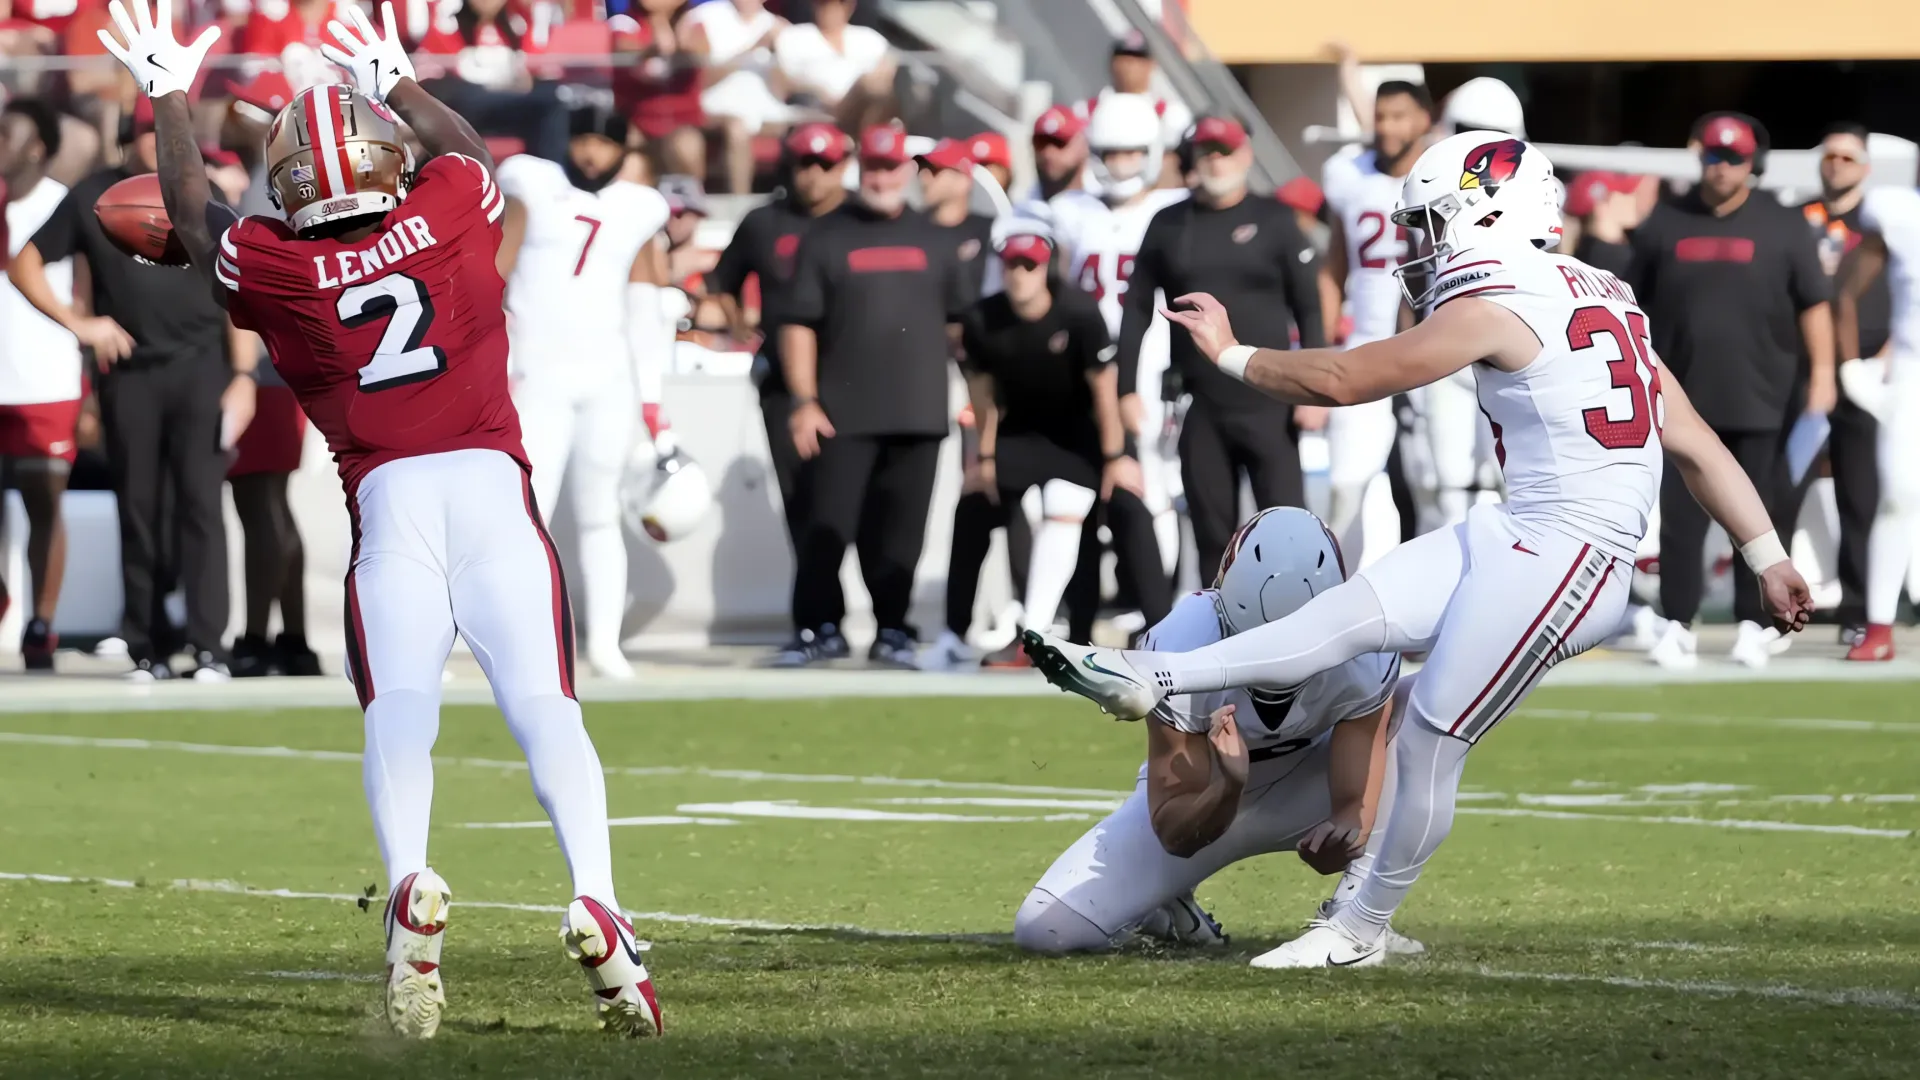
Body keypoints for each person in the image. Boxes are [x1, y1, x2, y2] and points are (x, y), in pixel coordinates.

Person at [1021, 131, 1814, 967]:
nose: (1424, 245)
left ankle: (1360, 929)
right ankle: (1152, 676)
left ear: (1491, 208)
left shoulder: (1502, 298)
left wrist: (1230, 354)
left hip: (1575, 554)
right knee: (1345, 617)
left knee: (1431, 734)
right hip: (1519, 529)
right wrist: (1766, 555)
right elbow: (1689, 439)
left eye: (1436, 222)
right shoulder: (1600, 292)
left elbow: (1349, 379)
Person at [99, 0, 660, 1036]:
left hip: (390, 501)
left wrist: (169, 93)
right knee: (547, 706)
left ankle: (409, 882)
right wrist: (399, 81)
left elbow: (185, 209)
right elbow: (469, 152)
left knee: (399, 708)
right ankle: (598, 898)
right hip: (491, 488)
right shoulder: (447, 207)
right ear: (380, 161)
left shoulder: (280, 264)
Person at [1015, 507, 1420, 958]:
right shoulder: (1183, 639)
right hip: (1206, 791)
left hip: (1309, 787)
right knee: (1046, 929)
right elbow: (1172, 829)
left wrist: (1344, 842)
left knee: (1427, 706)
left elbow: (1352, 810)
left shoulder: (1364, 648)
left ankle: (1358, 914)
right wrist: (1228, 784)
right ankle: (1163, 903)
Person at [10, 95, 244, 682]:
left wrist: (243, 377)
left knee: (201, 505)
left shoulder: (206, 193)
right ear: (127, 135)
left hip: (201, 368)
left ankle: (209, 645)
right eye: (146, 129)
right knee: (138, 507)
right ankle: (148, 645)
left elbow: (240, 288)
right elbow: (25, 263)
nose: (154, 140)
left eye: (165, 128)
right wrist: (79, 324)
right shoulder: (93, 194)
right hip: (131, 371)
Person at [1624, 113, 1835, 670]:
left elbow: (1814, 303)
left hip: (1765, 396)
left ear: (1753, 162)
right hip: (1680, 400)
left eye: (1734, 157)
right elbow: (1629, 301)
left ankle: (1753, 622)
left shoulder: (1784, 223)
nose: (1722, 168)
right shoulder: (1664, 221)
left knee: (1759, 514)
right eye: (1714, 156)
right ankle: (1677, 622)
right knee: (1682, 518)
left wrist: (1823, 377)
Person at [776, 123, 971, 667]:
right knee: (827, 527)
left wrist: (979, 395)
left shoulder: (937, 240)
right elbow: (797, 324)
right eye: (875, 166)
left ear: (908, 171)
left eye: (893, 167)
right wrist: (804, 400)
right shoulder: (826, 236)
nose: (883, 177)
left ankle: (894, 631)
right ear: (862, 168)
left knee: (902, 536)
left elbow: (962, 327)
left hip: (919, 412)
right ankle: (816, 628)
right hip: (842, 414)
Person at [496, 105, 676, 680]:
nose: (591, 154)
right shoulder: (532, 183)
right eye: (584, 141)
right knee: (529, 512)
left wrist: (651, 396)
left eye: (604, 143)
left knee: (600, 516)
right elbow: (495, 269)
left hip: (606, 379)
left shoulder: (639, 207)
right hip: (538, 374)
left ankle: (603, 643)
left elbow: (647, 305)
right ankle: (521, 641)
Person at [1122, 115, 1325, 579]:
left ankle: (1295, 637)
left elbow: (1310, 307)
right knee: (1212, 536)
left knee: (1288, 532)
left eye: (1225, 150)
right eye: (1207, 151)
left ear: (1246, 155)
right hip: (1202, 404)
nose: (1217, 161)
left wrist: (1313, 392)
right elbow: (1135, 308)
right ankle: (1220, 638)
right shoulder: (1168, 223)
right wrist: (1125, 390)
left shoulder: (1274, 219)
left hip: (1271, 402)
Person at [959, 225, 1168, 666]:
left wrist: (1116, 456)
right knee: (975, 501)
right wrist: (985, 457)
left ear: (1046, 269)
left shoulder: (1078, 313)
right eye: (1012, 264)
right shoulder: (982, 319)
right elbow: (982, 394)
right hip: (1022, 433)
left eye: (1028, 265)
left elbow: (1104, 392)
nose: (1019, 274)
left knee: (1108, 505)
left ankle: (1159, 633)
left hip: (1084, 435)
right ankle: (953, 633)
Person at [1050, 93, 1189, 579]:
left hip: (1149, 360)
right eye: (1112, 153)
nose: (1122, 164)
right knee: (1072, 487)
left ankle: (1155, 602)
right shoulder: (1069, 210)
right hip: (1085, 367)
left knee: (1156, 482)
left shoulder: (1175, 208)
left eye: (1132, 152)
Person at [707, 121, 848, 573]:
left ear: (843, 167)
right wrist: (738, 323)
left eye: (825, 164)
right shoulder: (764, 222)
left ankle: (881, 616)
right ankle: (816, 616)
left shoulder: (862, 221)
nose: (815, 175)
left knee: (853, 496)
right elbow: (723, 280)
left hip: (853, 373)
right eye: (805, 163)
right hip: (785, 380)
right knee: (799, 495)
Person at [1319, 80, 1431, 568]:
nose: (1387, 127)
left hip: (1434, 347)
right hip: (1365, 343)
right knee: (1346, 481)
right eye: (1381, 116)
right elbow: (1333, 267)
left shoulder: (1441, 176)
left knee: (1433, 484)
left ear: (1424, 120)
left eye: (1399, 116)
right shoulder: (1350, 178)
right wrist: (1323, 346)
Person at [1803, 124, 1889, 647]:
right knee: (1777, 490)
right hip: (1805, 371)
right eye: (1829, 155)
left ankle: (1860, 607)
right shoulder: (1799, 218)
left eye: (1847, 157)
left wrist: (1884, 360)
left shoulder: (1884, 221)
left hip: (1864, 373)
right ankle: (1767, 604)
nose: (1836, 164)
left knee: (1863, 496)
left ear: (1866, 166)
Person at [0, 98, 77, 670]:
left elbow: (89, 296)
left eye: (5, 133)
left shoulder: (64, 208)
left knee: (43, 505)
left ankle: (42, 624)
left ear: (36, 147)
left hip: (46, 379)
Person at [1832, 162, 1918, 662]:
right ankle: (1880, 625)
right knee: (1899, 496)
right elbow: (1845, 291)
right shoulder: (1899, 211)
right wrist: (1851, 366)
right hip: (1911, 374)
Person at [1078, 31, 1191, 189]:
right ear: (1111, 63)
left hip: (1151, 197)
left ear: (1151, 65)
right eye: (1123, 57)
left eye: (1137, 58)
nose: (1129, 65)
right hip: (1096, 197)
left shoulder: (1171, 114)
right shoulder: (1085, 111)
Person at [773, 0, 894, 132]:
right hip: (818, 107)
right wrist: (820, 93)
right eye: (822, 4)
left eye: (838, 3)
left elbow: (887, 69)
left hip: (865, 105)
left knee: (874, 87)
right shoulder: (795, 37)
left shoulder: (868, 38)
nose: (828, 10)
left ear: (850, 6)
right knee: (868, 87)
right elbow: (784, 81)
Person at [1029, 105, 1087, 203]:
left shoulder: (1104, 211)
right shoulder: (1018, 213)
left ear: (1082, 146)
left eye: (1059, 143)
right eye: (1040, 143)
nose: (1048, 153)